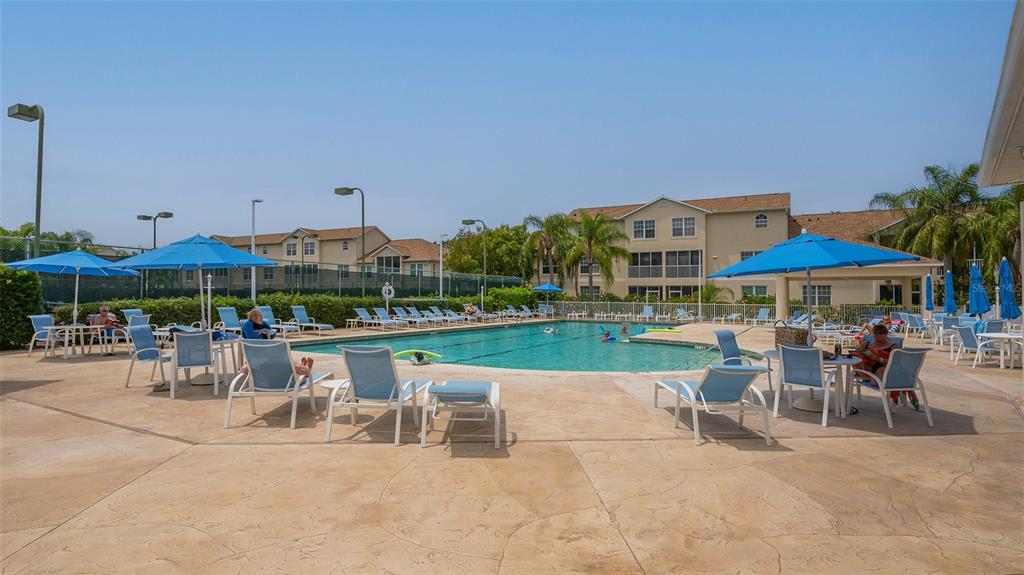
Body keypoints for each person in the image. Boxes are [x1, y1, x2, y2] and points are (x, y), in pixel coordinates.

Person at [852, 323, 920, 410]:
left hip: (885, 368)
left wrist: (877, 359)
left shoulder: (893, 346)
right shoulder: (867, 343)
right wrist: (859, 350)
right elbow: (855, 355)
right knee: (855, 355)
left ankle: (903, 389)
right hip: (867, 368)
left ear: (885, 334)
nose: (877, 335)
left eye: (880, 333)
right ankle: (865, 376)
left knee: (877, 380)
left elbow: (896, 363)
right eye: (875, 333)